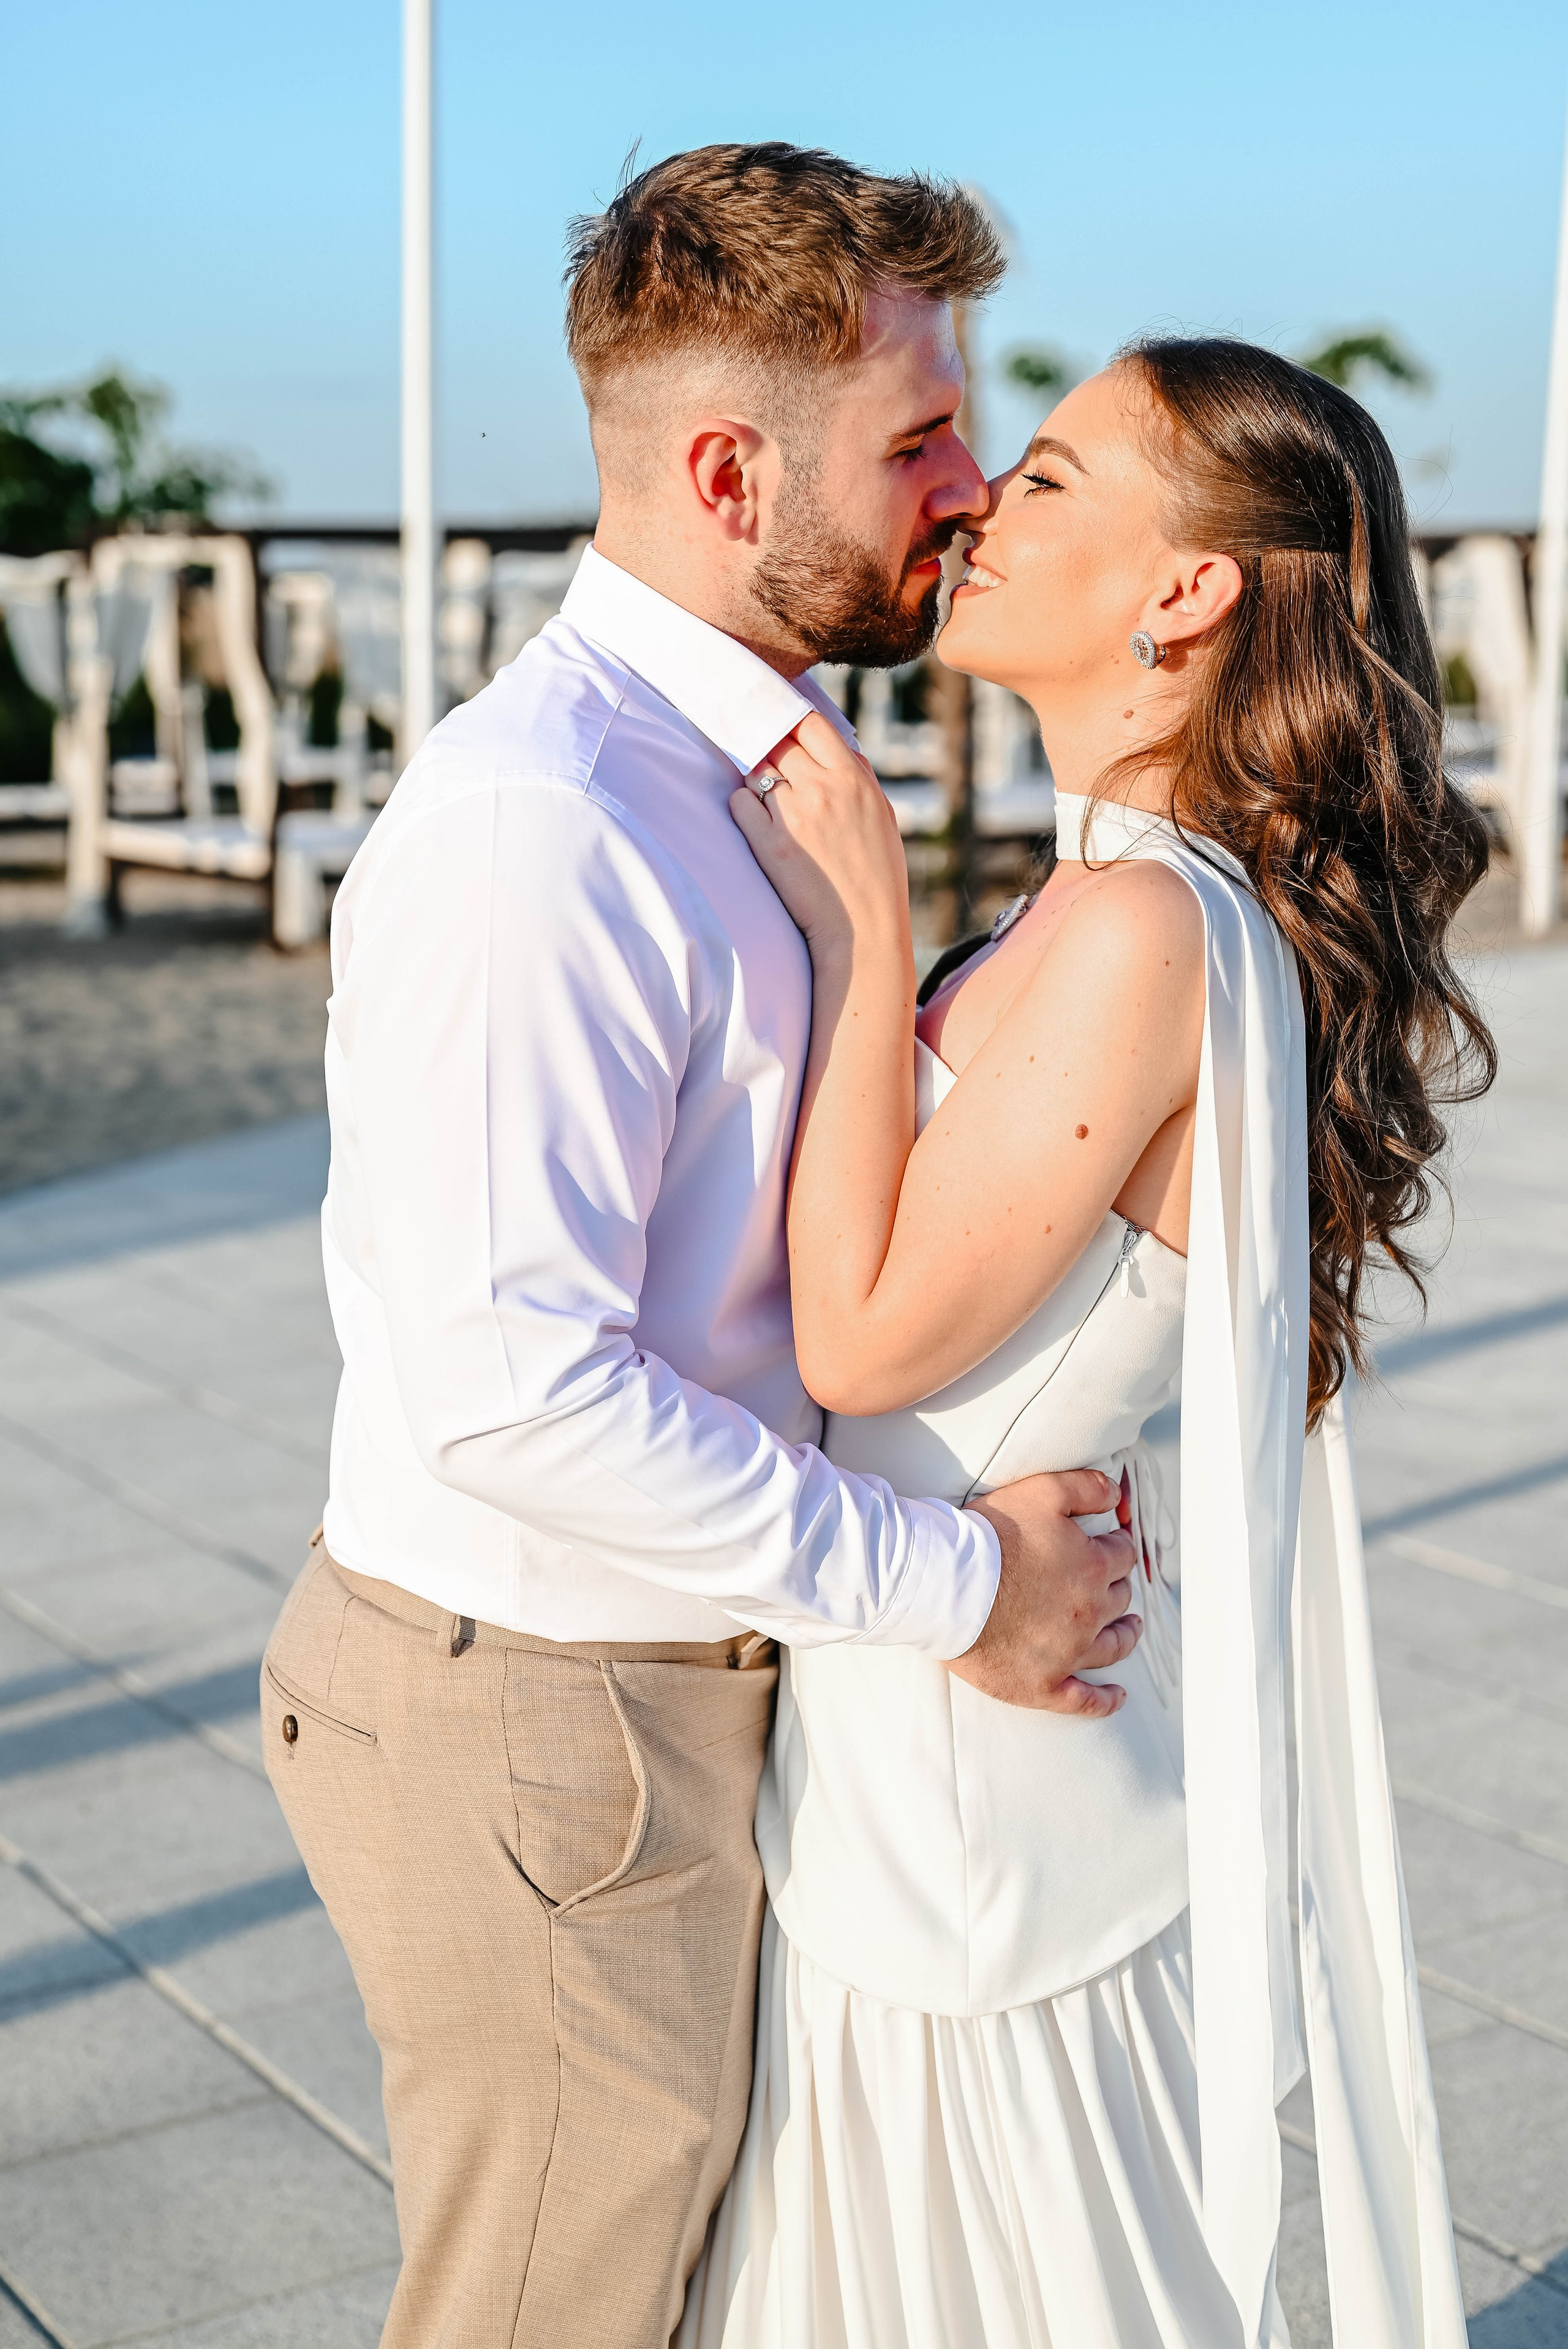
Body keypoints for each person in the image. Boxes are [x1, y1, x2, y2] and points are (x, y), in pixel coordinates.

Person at [261, 144, 1144, 2349]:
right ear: (735, 470)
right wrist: (960, 1587)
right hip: (545, 1725)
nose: (964, 481)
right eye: (921, 434)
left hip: (665, 1690)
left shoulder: (759, 756)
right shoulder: (542, 827)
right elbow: (508, 1389)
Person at [684, 339, 1495, 2349]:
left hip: (972, 1824)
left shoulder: (1143, 930)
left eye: (1043, 480)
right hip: (944, 1747)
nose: (973, 505)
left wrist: (867, 931)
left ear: (1190, 589)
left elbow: (865, 1340)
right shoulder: (1128, 905)